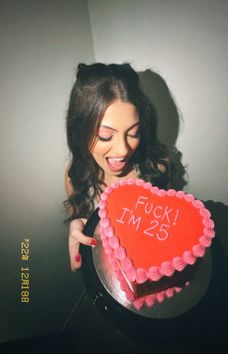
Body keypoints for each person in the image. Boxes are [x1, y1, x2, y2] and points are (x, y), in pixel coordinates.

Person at [64, 62, 170, 271]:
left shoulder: (157, 168)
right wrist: (78, 229)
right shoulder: (74, 175)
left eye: (133, 133)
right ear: (80, 131)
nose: (123, 150)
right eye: (105, 136)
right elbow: (76, 219)